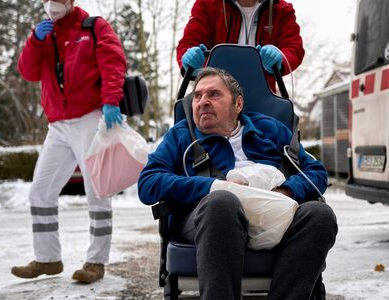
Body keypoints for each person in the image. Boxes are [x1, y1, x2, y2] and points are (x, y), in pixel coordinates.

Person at [138, 68, 337, 299]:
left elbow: (316, 172)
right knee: (222, 202)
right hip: (210, 218)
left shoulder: (270, 129)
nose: (203, 102)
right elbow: (148, 182)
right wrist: (212, 188)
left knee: (320, 214)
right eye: (198, 96)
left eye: (214, 94)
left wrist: (286, 191)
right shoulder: (180, 136)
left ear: (238, 104)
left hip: (274, 214)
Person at [11, 0, 127, 284]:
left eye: (59, 0)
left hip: (89, 118)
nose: (53, 5)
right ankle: (47, 258)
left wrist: (111, 101)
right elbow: (28, 72)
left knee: (96, 190)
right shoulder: (44, 33)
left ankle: (96, 261)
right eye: (48, 0)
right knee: (40, 191)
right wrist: (35, 40)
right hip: (58, 124)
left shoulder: (94, 27)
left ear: (71, 1)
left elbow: (114, 63)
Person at [176, 0, 305, 89]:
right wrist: (189, 62)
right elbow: (188, 43)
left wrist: (280, 59)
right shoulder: (207, 5)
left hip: (262, 98)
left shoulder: (282, 10)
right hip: (213, 95)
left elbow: (294, 48)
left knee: (277, 128)